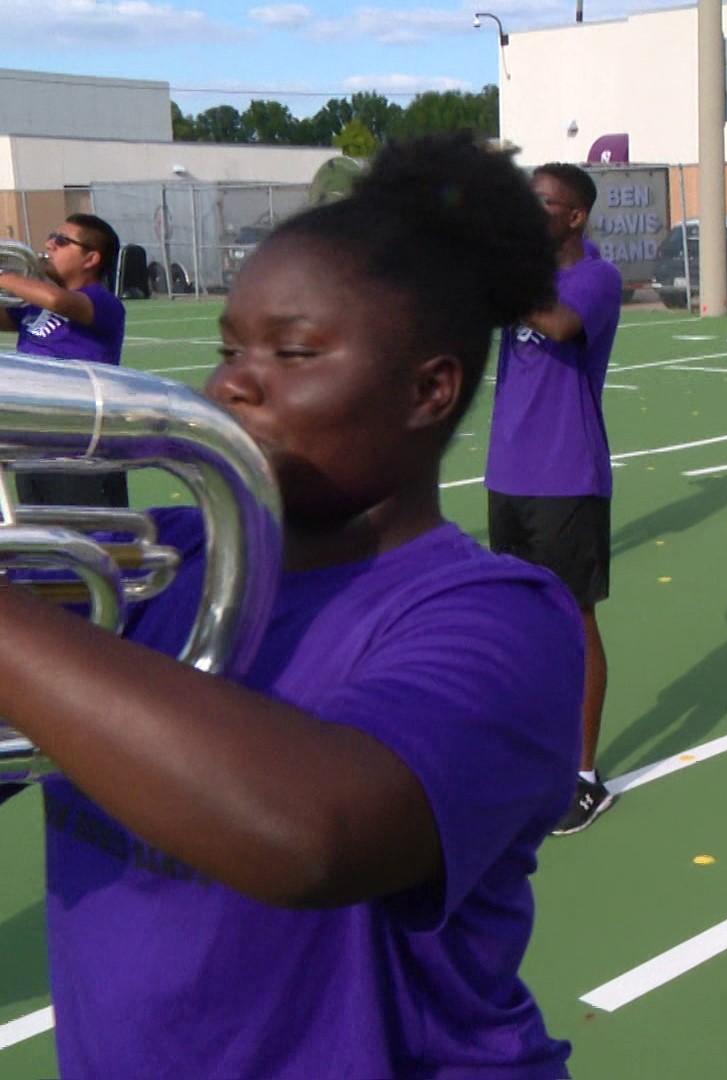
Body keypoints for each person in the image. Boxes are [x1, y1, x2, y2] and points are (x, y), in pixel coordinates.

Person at [0, 134, 581, 1076]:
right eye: (231, 347)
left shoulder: (499, 618)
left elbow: (310, 837)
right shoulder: (155, 555)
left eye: (293, 352)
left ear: (428, 390)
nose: (233, 382)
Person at [486, 162, 624, 834]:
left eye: (543, 202)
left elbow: (561, 325)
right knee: (517, 622)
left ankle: (584, 774)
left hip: (567, 475)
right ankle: (530, 754)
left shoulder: (594, 277)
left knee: (575, 621)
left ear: (574, 217)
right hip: (507, 473)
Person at [0, 213, 129, 508]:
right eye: (51, 237)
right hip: (34, 443)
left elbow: (58, 302)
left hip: (80, 447)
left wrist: (4, 277)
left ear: (90, 259)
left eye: (61, 240)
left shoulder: (102, 301)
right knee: (45, 541)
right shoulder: (34, 304)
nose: (49, 245)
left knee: (94, 541)